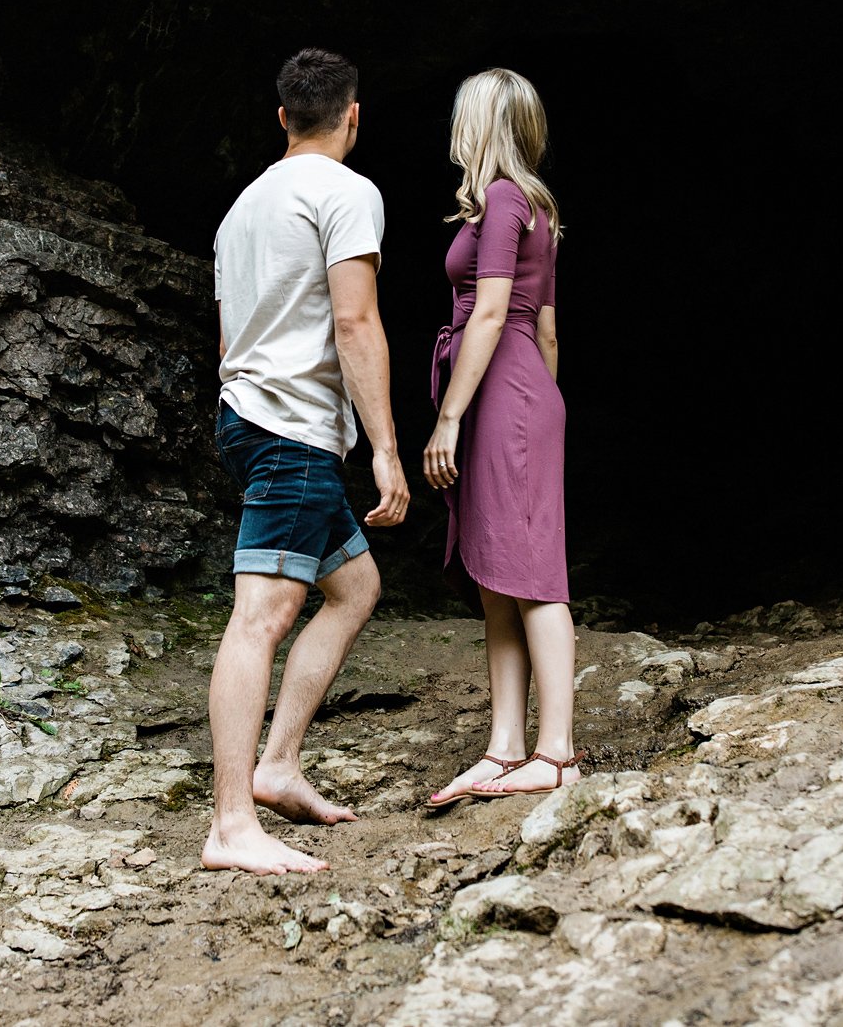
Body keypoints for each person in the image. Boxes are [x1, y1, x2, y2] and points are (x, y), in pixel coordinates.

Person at [203, 46, 411, 874]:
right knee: (261, 616)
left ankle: (277, 764)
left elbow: (228, 340)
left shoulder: (240, 209)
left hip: (245, 418)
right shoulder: (347, 191)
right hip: (294, 433)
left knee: (355, 588)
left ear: (282, 117)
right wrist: (388, 449)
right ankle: (229, 824)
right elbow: (357, 324)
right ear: (352, 116)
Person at [422, 67, 581, 808]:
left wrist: (454, 415)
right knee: (498, 580)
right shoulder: (533, 204)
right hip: (520, 390)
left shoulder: (504, 198)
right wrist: (538, 402)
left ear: (478, 125)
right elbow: (546, 329)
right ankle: (506, 746)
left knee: (532, 576)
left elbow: (491, 315)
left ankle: (555, 753)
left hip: (502, 392)